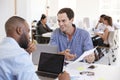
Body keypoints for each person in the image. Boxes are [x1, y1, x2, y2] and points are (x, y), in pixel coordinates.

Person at [0, 16, 70, 80]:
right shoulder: (19, 56)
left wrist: (26, 53)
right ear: (19, 30)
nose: (29, 36)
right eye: (27, 31)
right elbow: (18, 60)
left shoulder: (4, 49)